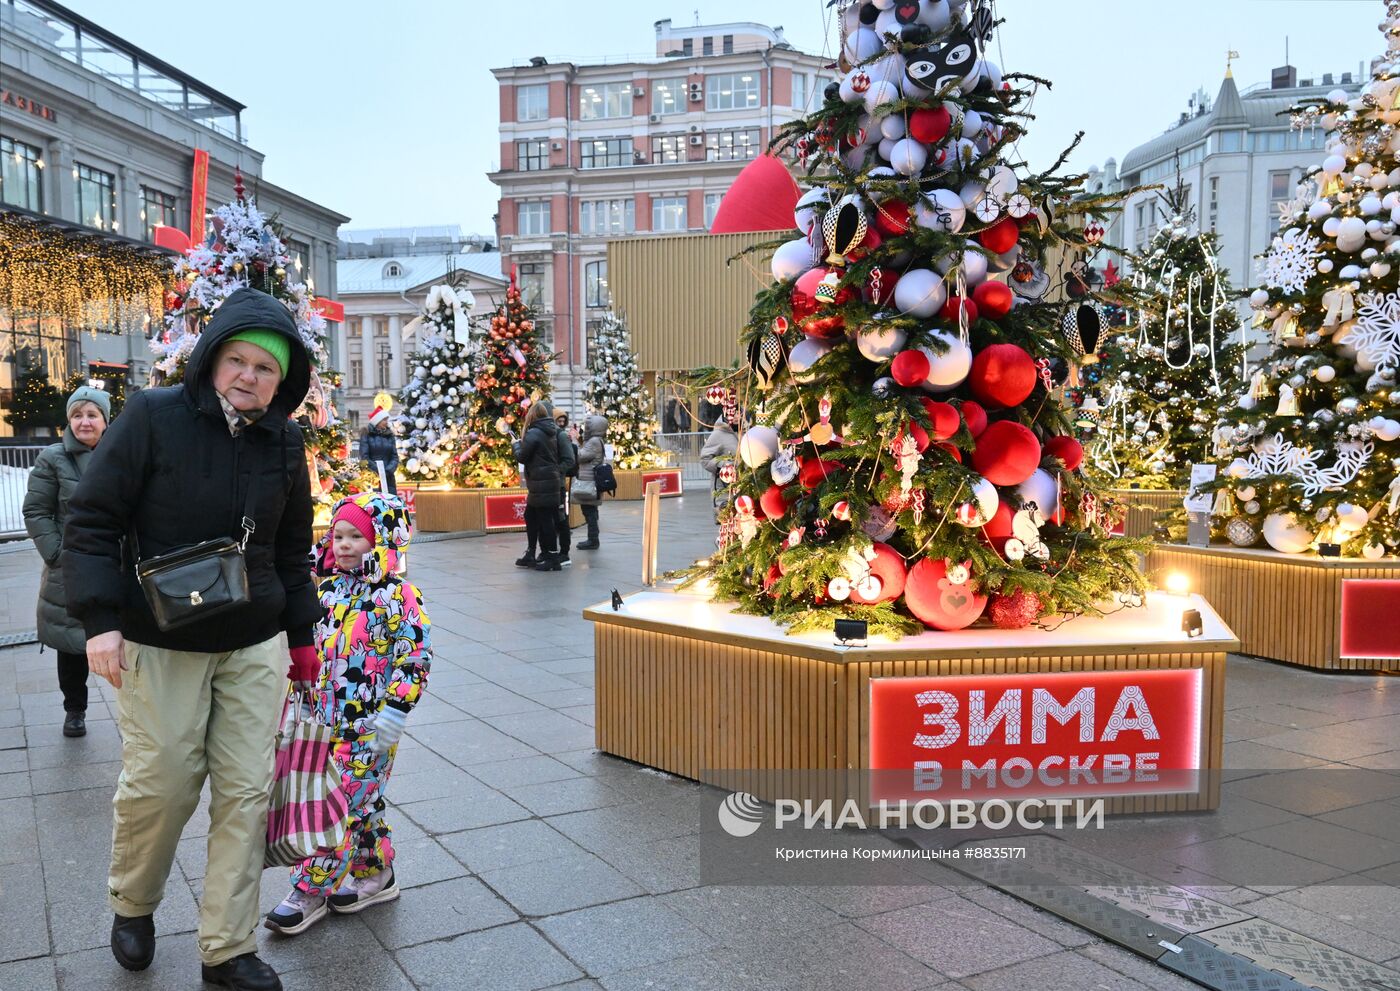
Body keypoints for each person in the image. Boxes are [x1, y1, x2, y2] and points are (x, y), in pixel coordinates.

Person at [63, 287, 321, 991]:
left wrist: (302, 636)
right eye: (237, 360)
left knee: (245, 792)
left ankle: (226, 948)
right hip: (161, 638)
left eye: (265, 368)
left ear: (283, 379)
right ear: (211, 360)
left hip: (254, 640)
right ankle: (134, 900)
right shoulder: (153, 417)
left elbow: (293, 546)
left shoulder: (285, 439)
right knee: (166, 781)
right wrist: (100, 621)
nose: (248, 376)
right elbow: (91, 521)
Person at [264, 491, 431, 935]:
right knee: (363, 803)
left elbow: (413, 658)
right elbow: (315, 647)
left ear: (381, 542)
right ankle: (376, 874)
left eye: (356, 536)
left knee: (334, 807)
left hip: (370, 728)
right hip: (325, 722)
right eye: (338, 535)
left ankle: (309, 889)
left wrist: (395, 710)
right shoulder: (330, 590)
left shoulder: (400, 596)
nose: (343, 544)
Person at [22, 384, 111, 738]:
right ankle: (75, 709)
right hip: (70, 566)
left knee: (127, 638)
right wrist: (56, 553)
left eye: (92, 415)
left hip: (114, 563)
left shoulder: (121, 454)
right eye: (77, 415)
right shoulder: (53, 457)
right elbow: (36, 509)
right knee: (71, 642)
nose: (84, 422)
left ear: (105, 420)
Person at [512, 401, 562, 571]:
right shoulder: (551, 431)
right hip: (547, 481)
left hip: (541, 483)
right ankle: (532, 553)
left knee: (545, 520)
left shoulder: (534, 433)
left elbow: (522, 456)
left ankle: (552, 558)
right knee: (531, 516)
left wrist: (516, 444)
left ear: (532, 415)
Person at [573, 413, 608, 550]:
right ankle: (593, 538)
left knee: (589, 511)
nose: (585, 428)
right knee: (591, 510)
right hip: (591, 479)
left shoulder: (593, 441)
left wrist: (575, 444)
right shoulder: (597, 440)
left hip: (588, 480)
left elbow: (581, 456)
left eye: (587, 426)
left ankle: (593, 539)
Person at [700, 414, 739, 524]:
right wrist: (724, 465)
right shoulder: (718, 434)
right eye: (735, 413)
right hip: (724, 491)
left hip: (745, 491)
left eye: (740, 413)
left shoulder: (746, 432)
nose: (738, 416)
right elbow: (705, 459)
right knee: (728, 530)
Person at [553, 408, 577, 567]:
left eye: (563, 421)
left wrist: (556, 471)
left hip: (559, 483)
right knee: (557, 518)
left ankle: (564, 552)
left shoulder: (561, 436)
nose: (561, 424)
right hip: (555, 483)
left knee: (562, 519)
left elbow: (569, 460)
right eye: (559, 421)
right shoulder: (555, 435)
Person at [360, 405, 398, 494]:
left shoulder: (390, 435)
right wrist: (378, 471)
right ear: (377, 421)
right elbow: (364, 457)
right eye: (384, 420)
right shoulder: (366, 434)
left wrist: (388, 470)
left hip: (389, 477)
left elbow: (394, 456)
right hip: (372, 478)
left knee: (389, 504)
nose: (386, 422)